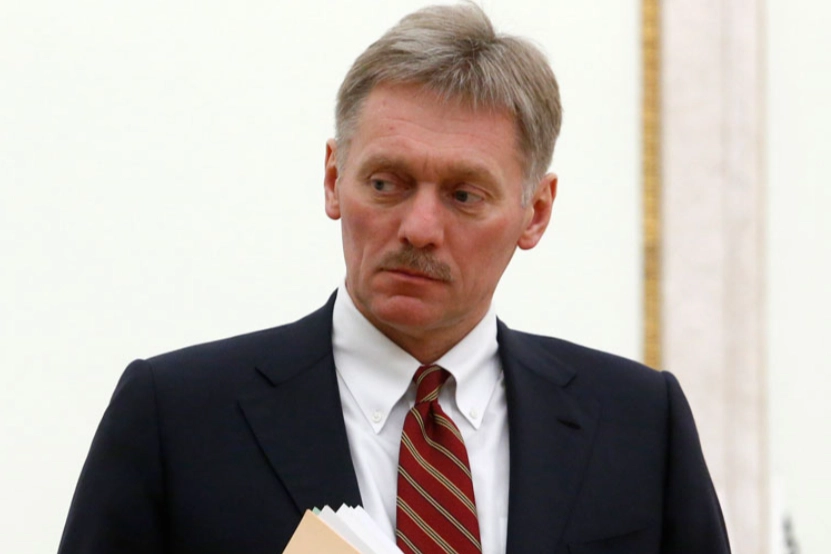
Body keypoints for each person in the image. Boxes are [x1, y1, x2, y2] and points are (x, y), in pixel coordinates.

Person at [58, 4, 730, 553]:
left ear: (536, 212)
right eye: (386, 183)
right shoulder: (178, 420)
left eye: (464, 195)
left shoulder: (638, 425)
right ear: (333, 180)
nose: (418, 227)